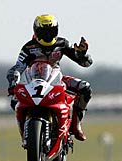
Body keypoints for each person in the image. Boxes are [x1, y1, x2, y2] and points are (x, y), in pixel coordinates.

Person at [7, 14, 93, 143]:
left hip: (56, 79)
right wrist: (13, 83)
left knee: (85, 88)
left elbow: (86, 64)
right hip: (32, 81)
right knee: (14, 101)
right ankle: (26, 134)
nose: (48, 35)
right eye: (44, 31)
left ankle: (76, 125)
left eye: (51, 31)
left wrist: (82, 55)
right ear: (36, 31)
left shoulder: (63, 43)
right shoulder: (28, 48)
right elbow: (18, 67)